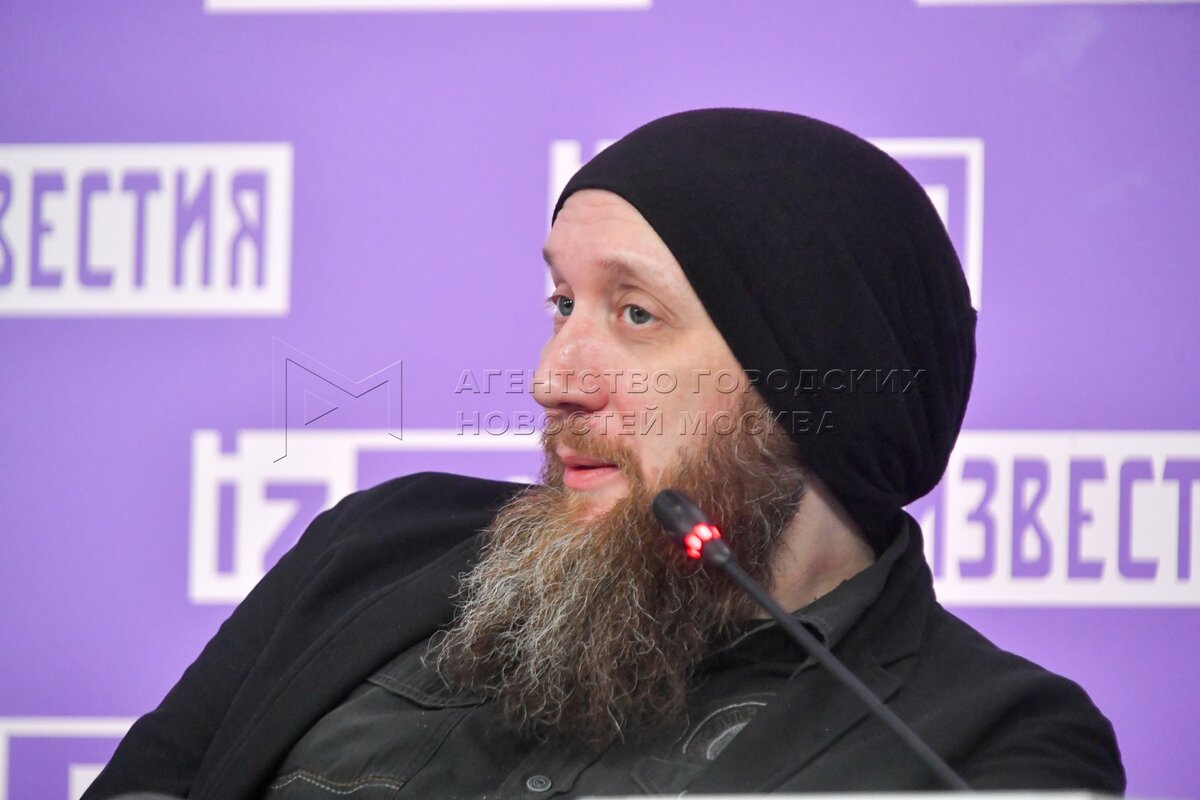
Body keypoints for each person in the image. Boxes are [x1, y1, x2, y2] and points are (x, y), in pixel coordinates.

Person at [84, 109, 1124, 799]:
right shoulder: (381, 545)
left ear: (811, 387)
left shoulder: (985, 742)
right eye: (561, 303)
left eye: (635, 313)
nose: (554, 377)